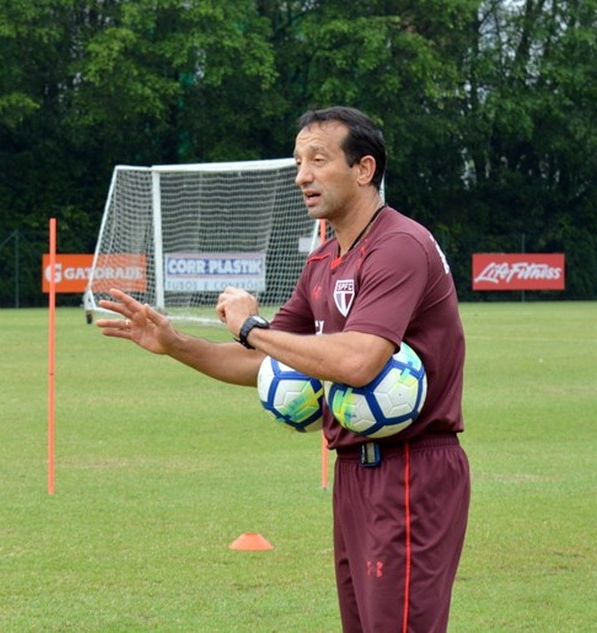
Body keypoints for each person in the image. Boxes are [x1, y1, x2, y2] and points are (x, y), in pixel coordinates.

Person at [97, 106, 469, 633]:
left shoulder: (398, 246)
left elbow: (360, 361)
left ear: (364, 169)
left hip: (411, 469)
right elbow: (267, 359)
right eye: (298, 161)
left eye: (318, 160)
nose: (302, 175)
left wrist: (252, 326)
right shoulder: (323, 259)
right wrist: (174, 342)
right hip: (355, 472)